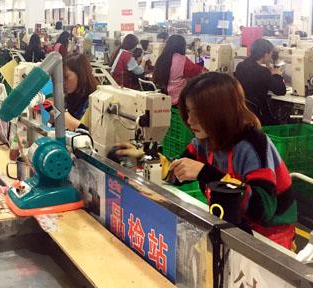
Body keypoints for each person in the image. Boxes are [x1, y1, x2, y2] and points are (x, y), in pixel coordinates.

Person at [115, 73, 297, 249]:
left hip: (267, 238)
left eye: (198, 113)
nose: (189, 120)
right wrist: (145, 156)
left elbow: (262, 209)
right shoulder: (204, 142)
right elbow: (176, 173)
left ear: (221, 113)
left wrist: (205, 173)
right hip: (232, 225)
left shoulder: (253, 145)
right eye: (188, 112)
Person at [234, 38, 286, 125]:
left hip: (244, 110)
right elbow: (281, 90)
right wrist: (277, 74)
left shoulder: (240, 66)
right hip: (259, 114)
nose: (270, 58)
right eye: (270, 54)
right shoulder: (262, 71)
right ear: (265, 54)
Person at [153, 34, 205, 105]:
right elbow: (197, 71)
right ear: (182, 46)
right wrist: (201, 62)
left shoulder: (161, 58)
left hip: (162, 97)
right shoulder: (182, 60)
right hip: (176, 99)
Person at [63, 53, 98, 130]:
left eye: (65, 77)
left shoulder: (93, 100)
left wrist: (59, 111)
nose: (63, 82)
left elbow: (83, 130)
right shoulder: (72, 96)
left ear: (80, 75)